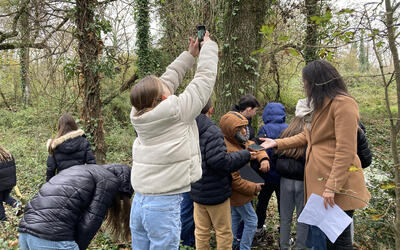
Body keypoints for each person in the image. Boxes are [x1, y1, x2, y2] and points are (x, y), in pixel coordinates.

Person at [260, 60, 371, 249]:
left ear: (317, 81)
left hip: (337, 185)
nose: (303, 85)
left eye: (305, 81)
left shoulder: (343, 104)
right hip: (321, 184)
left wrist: (332, 186)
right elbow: (306, 136)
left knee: (339, 242)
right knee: (328, 238)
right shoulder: (320, 105)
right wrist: (277, 142)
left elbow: (346, 150)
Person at [129, 31, 218, 249]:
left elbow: (167, 79)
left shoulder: (139, 113)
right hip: (163, 204)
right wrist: (208, 46)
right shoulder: (177, 111)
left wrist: (189, 56)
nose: (167, 85)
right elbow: (204, 78)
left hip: (140, 201)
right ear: (163, 97)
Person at [189, 99, 256, 249]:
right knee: (224, 232)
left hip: (196, 189)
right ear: (211, 110)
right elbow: (220, 162)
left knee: (201, 231)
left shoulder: (187, 127)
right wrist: (245, 155)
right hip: (216, 193)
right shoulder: (213, 131)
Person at [18, 163, 133, 250]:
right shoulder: (109, 181)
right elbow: (91, 222)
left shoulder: (81, 169)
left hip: (25, 232)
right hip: (52, 237)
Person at [219, 111, 270, 250]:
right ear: (231, 130)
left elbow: (254, 146)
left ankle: (232, 245)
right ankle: (244, 247)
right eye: (239, 128)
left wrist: (263, 158)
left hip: (241, 190)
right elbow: (235, 181)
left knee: (235, 217)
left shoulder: (238, 140)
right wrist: (254, 188)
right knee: (252, 221)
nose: (243, 131)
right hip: (239, 193)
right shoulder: (228, 149)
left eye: (244, 127)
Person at [276, 102, 311, 249]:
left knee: (285, 218)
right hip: (303, 181)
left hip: (285, 180)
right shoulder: (309, 133)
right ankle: (300, 247)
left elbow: (277, 152)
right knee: (302, 219)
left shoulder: (286, 132)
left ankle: (284, 246)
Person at [254, 102, 288, 240]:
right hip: (282, 174)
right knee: (283, 205)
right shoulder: (288, 129)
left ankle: (258, 228)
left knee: (262, 202)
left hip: (266, 174)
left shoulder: (264, 129)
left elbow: (259, 149)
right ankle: (284, 233)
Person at [46, 114, 96, 181]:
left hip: (62, 182)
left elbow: (51, 169)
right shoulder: (83, 141)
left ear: (59, 126)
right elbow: (92, 164)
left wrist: (49, 184)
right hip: (81, 180)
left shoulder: (53, 145)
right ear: (74, 125)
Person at [0, 146, 22, 222]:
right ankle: (16, 204)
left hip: (1, 184)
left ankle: (3, 221)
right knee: (5, 197)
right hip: (10, 183)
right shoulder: (8, 155)